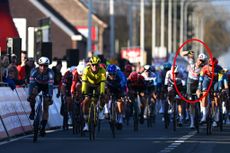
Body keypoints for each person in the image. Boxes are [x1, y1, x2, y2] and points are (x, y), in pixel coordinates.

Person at [27, 57, 54, 136]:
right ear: (38, 65)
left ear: (48, 66)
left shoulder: (50, 73)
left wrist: (50, 97)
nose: (43, 68)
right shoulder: (34, 71)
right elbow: (31, 85)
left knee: (46, 106)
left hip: (46, 86)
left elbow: (51, 86)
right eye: (41, 65)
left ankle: (43, 128)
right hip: (37, 85)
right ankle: (32, 110)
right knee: (33, 93)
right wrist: (30, 95)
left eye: (45, 66)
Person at [181, 51, 207, 128]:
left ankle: (203, 114)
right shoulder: (191, 63)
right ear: (197, 59)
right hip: (190, 84)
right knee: (191, 103)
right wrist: (189, 52)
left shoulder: (204, 68)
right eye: (199, 60)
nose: (200, 62)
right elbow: (181, 54)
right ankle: (192, 122)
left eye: (202, 61)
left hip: (198, 83)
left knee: (202, 97)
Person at [81, 56, 106, 131]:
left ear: (99, 65)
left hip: (98, 84)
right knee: (86, 101)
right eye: (93, 65)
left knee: (102, 96)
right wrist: (83, 92)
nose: (95, 66)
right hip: (89, 84)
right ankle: (86, 124)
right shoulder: (86, 70)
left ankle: (100, 110)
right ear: (90, 65)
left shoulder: (102, 71)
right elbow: (84, 82)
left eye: (96, 65)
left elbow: (103, 83)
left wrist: (102, 93)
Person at [197, 57, 223, 126]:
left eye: (213, 66)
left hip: (216, 81)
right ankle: (204, 116)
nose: (212, 67)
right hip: (207, 80)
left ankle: (216, 115)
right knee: (204, 94)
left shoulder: (220, 69)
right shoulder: (205, 68)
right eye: (211, 66)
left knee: (216, 96)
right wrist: (199, 88)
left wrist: (220, 88)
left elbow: (220, 80)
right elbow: (201, 78)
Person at [106, 64, 127, 129]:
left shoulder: (120, 73)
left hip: (118, 87)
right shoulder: (105, 74)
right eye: (110, 74)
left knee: (120, 101)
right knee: (105, 95)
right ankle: (107, 110)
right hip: (109, 87)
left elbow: (124, 81)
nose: (112, 75)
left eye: (113, 74)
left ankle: (120, 117)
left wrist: (120, 86)